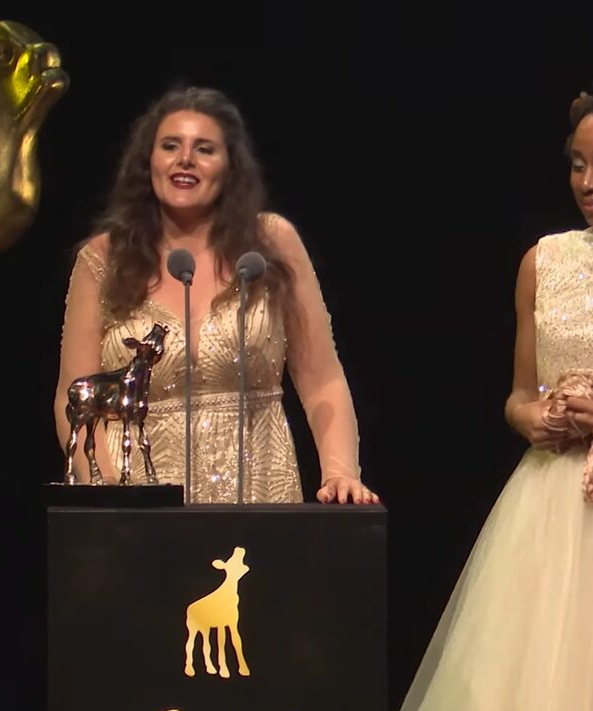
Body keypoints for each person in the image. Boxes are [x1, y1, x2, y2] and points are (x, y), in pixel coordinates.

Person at [387, 69, 593, 711]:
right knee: (538, 693)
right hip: (550, 507)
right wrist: (538, 417)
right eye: (578, 166)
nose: (590, 182)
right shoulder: (542, 261)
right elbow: (519, 395)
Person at [53, 85, 378, 505]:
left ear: (229, 167)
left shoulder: (271, 243)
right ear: (148, 161)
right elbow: (74, 395)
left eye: (204, 148)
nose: (185, 158)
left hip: (259, 495)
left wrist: (340, 472)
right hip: (136, 507)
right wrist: (114, 495)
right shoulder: (101, 259)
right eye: (170, 145)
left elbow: (322, 378)